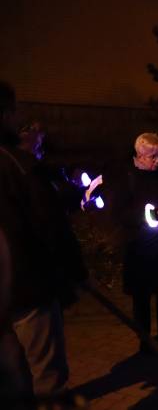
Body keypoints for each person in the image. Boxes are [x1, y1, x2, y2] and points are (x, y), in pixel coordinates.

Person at [0, 81, 87, 399]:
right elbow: (51, 227)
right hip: (26, 291)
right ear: (6, 114)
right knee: (45, 378)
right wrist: (75, 274)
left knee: (13, 381)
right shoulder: (18, 166)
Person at [109, 133, 158, 351]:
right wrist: (145, 215)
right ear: (140, 155)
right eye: (153, 157)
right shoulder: (127, 178)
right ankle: (145, 339)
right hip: (140, 249)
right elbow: (118, 212)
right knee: (141, 298)